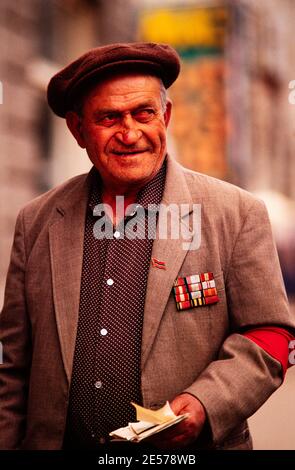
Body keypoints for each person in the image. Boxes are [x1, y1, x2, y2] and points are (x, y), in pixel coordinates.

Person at [0, 42, 294, 451]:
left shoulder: (235, 212)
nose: (130, 133)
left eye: (144, 113)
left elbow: (272, 334)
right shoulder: (36, 222)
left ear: (166, 116)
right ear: (78, 129)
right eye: (109, 117)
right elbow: (13, 368)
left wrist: (203, 403)